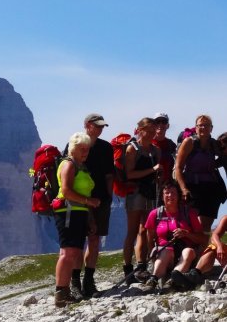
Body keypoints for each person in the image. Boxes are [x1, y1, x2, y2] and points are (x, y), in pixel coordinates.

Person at [67, 113, 114, 299]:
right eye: (98, 125)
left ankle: (89, 281)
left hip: (100, 199)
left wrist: (109, 196)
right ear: (87, 125)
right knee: (78, 242)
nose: (101, 129)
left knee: (94, 240)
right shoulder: (75, 143)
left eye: (102, 126)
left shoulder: (106, 147)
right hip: (79, 199)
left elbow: (110, 174)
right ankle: (75, 283)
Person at [53, 132, 100, 308]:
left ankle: (64, 291)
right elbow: (66, 190)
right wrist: (89, 202)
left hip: (79, 212)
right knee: (68, 253)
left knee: (73, 252)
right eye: (82, 149)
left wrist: (90, 219)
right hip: (68, 211)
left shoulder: (81, 166)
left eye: (87, 150)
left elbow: (84, 194)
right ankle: (61, 292)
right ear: (73, 148)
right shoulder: (69, 164)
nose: (85, 153)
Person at [142, 181, 207, 293]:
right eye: (167, 193)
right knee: (166, 251)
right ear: (162, 196)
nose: (170, 196)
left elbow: (203, 239)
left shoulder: (189, 213)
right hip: (164, 254)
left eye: (173, 193)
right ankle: (153, 279)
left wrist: (186, 234)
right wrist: (151, 252)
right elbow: (150, 237)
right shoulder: (155, 214)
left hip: (187, 254)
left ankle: (172, 280)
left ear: (179, 196)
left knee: (188, 251)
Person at [122, 117, 162, 282]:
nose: (152, 133)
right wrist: (151, 170)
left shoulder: (155, 150)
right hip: (135, 193)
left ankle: (141, 266)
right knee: (132, 231)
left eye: (154, 130)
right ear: (140, 130)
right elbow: (129, 174)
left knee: (145, 230)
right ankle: (127, 268)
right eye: (149, 130)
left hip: (151, 192)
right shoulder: (132, 149)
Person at [174, 115, 226, 232]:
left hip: (211, 188)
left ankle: (202, 249)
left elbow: (223, 157)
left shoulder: (214, 144)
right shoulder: (189, 142)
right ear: (196, 128)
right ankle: (191, 248)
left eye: (206, 125)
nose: (203, 127)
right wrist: (183, 189)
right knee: (194, 223)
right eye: (200, 125)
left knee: (206, 224)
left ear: (211, 128)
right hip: (193, 187)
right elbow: (178, 167)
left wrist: (214, 164)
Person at [181, 213, 227, 287]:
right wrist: (219, 246)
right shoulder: (226, 218)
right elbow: (215, 235)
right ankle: (195, 274)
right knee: (213, 246)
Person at [152, 112, 177, 190]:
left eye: (164, 122)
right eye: (157, 122)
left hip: (167, 185)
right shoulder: (147, 143)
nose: (160, 124)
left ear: (168, 126)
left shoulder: (171, 145)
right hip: (150, 185)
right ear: (153, 125)